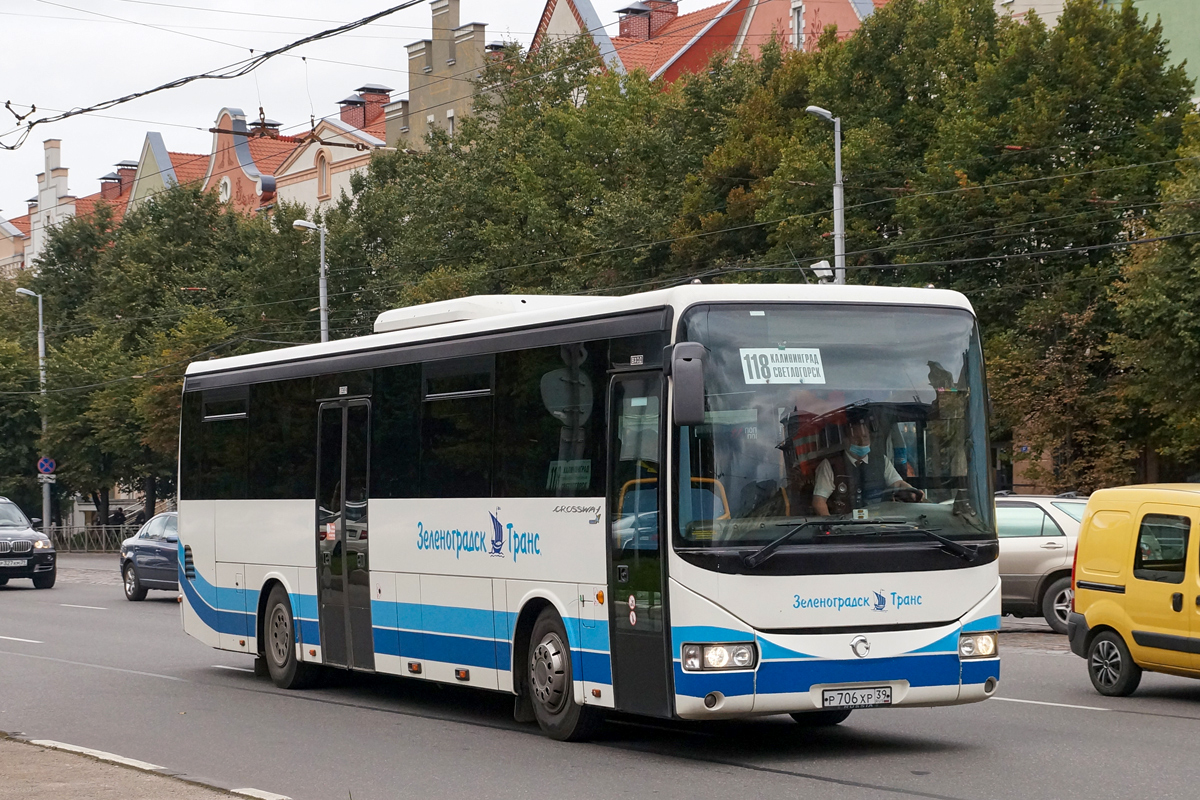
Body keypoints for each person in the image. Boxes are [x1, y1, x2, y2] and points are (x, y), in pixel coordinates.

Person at [812, 413, 924, 516]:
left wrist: (912, 491)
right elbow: (819, 502)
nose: (861, 442)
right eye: (856, 438)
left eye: (865, 438)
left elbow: (898, 483)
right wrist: (831, 528)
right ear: (846, 440)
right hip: (844, 528)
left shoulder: (881, 460)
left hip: (878, 524)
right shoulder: (831, 464)